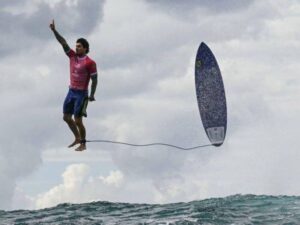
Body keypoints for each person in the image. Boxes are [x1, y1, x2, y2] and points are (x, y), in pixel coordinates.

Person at [49, 19, 98, 151]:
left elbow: (95, 79)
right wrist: (54, 31)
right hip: (71, 91)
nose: (76, 48)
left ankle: (83, 143)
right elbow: (63, 42)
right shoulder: (72, 56)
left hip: (82, 94)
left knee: (78, 120)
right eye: (76, 46)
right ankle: (77, 137)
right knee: (66, 117)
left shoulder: (90, 62)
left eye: (79, 46)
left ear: (86, 48)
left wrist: (92, 95)